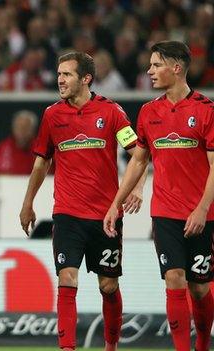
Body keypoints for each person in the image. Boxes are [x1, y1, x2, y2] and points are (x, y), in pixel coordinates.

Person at [19, 52, 145, 351]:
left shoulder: (112, 112)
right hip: (67, 214)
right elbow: (41, 164)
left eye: (67, 74)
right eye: (59, 74)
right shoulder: (52, 115)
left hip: (106, 216)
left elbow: (137, 153)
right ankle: (68, 349)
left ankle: (111, 345)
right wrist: (28, 203)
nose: (59, 79)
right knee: (68, 278)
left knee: (108, 286)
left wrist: (137, 188)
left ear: (86, 78)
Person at [104, 41, 214, 351]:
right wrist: (116, 204)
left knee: (200, 287)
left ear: (176, 68)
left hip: (202, 214)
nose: (149, 71)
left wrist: (203, 209)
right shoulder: (149, 112)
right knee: (174, 278)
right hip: (164, 212)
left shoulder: (206, 110)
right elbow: (139, 160)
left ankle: (203, 344)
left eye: (156, 65)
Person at [0, 110, 38, 175]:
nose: (21, 131)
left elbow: (49, 177)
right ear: (13, 128)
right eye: (18, 127)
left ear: (33, 130)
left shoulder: (41, 151)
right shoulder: (3, 148)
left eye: (25, 128)